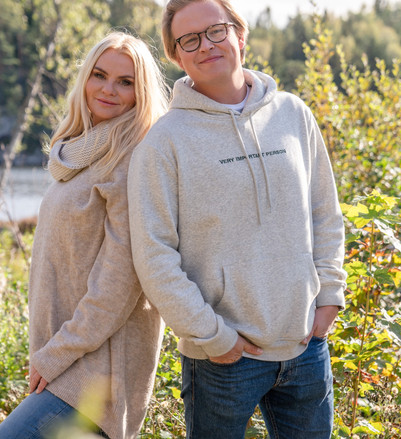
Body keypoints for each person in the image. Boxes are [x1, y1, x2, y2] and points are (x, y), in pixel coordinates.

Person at [127, 0, 347, 437]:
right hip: (222, 360)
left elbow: (324, 211)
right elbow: (154, 256)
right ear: (176, 55)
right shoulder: (163, 143)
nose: (206, 45)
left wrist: (329, 295)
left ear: (239, 35)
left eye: (216, 30)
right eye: (189, 39)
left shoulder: (292, 114)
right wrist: (212, 336)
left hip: (305, 345)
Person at [0, 32, 168, 439]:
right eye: (99, 75)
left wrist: (56, 355)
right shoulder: (80, 153)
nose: (108, 90)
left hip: (99, 372)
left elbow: (120, 284)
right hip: (67, 357)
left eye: (125, 82)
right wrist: (52, 354)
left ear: (141, 92)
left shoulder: (134, 160)